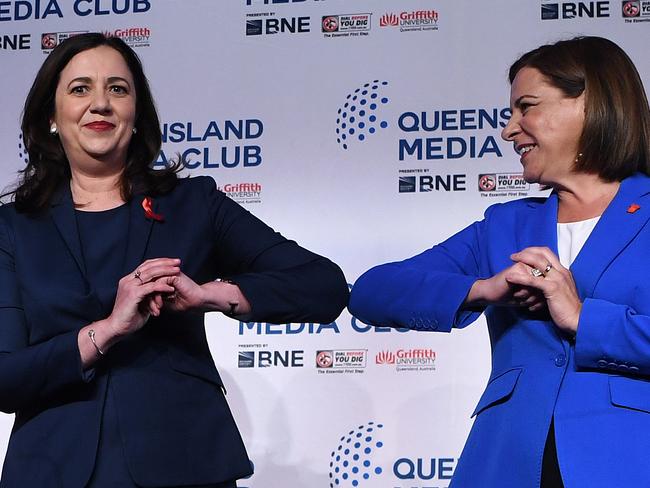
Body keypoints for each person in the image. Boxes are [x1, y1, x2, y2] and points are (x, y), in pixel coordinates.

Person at [0, 33, 349, 488]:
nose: (101, 104)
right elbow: (5, 378)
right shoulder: (13, 228)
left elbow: (324, 285)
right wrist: (107, 330)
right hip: (52, 468)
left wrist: (213, 294)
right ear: (51, 115)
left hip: (183, 461)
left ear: (137, 114)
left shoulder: (192, 204)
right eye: (80, 88)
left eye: (118, 89)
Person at [349, 36, 650, 488]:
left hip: (627, 459)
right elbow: (371, 291)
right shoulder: (505, 226)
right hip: (505, 462)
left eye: (526, 107)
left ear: (591, 104)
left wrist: (583, 318)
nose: (509, 130)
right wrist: (483, 290)